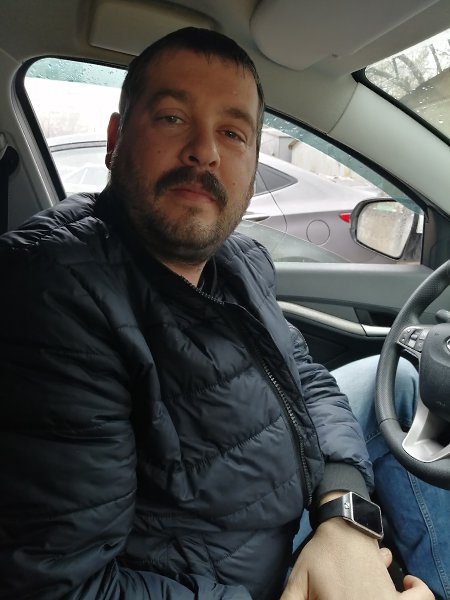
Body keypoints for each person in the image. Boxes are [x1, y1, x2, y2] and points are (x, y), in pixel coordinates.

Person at [0, 26, 442, 600]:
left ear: (252, 164)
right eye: (172, 118)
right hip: (221, 580)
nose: (204, 151)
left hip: (284, 511)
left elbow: (305, 379)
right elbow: (67, 587)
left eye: (232, 133)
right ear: (115, 140)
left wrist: (344, 514)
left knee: (404, 381)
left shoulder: (237, 259)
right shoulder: (53, 296)